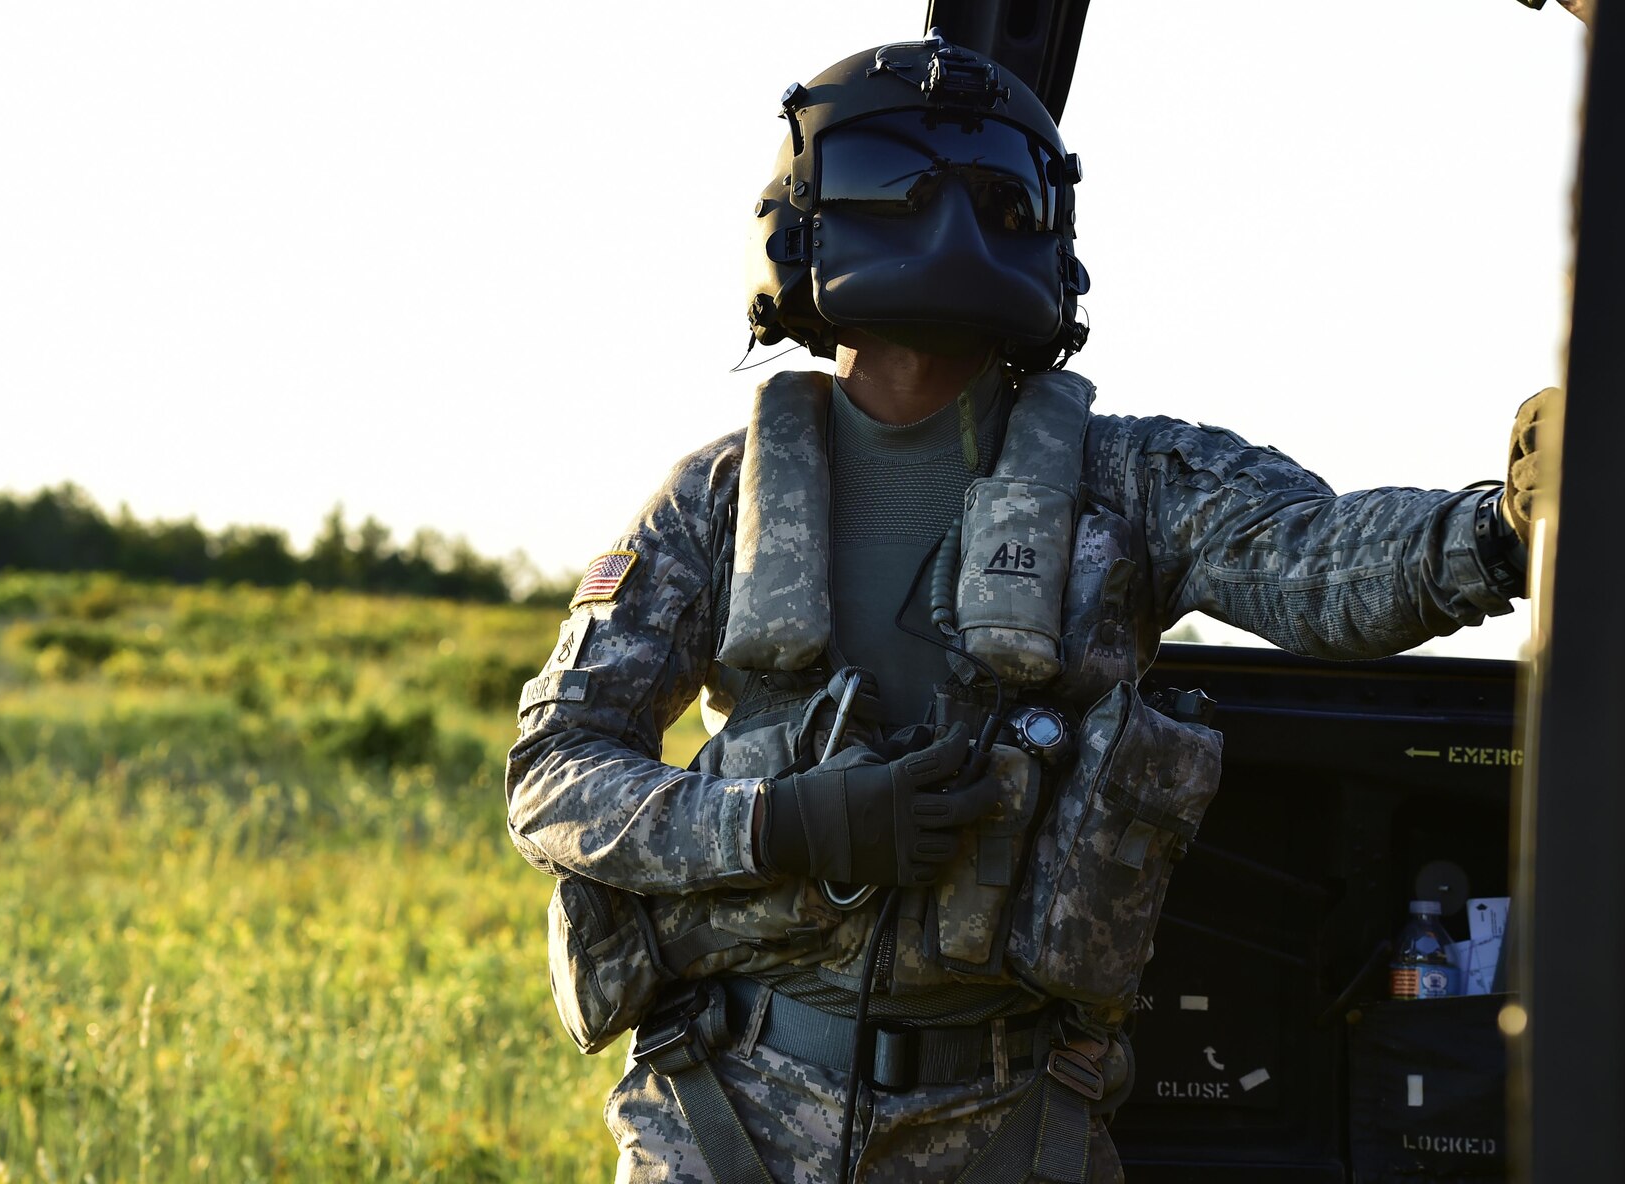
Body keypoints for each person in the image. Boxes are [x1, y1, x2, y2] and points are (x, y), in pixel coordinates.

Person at [506, 31, 1548, 1184]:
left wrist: (1503, 522)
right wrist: (789, 824)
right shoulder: (720, 499)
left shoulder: (1125, 481)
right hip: (728, 1106)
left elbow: (1322, 567)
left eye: (987, 194)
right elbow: (555, 773)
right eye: (914, 188)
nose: (949, 223)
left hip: (1011, 1117)